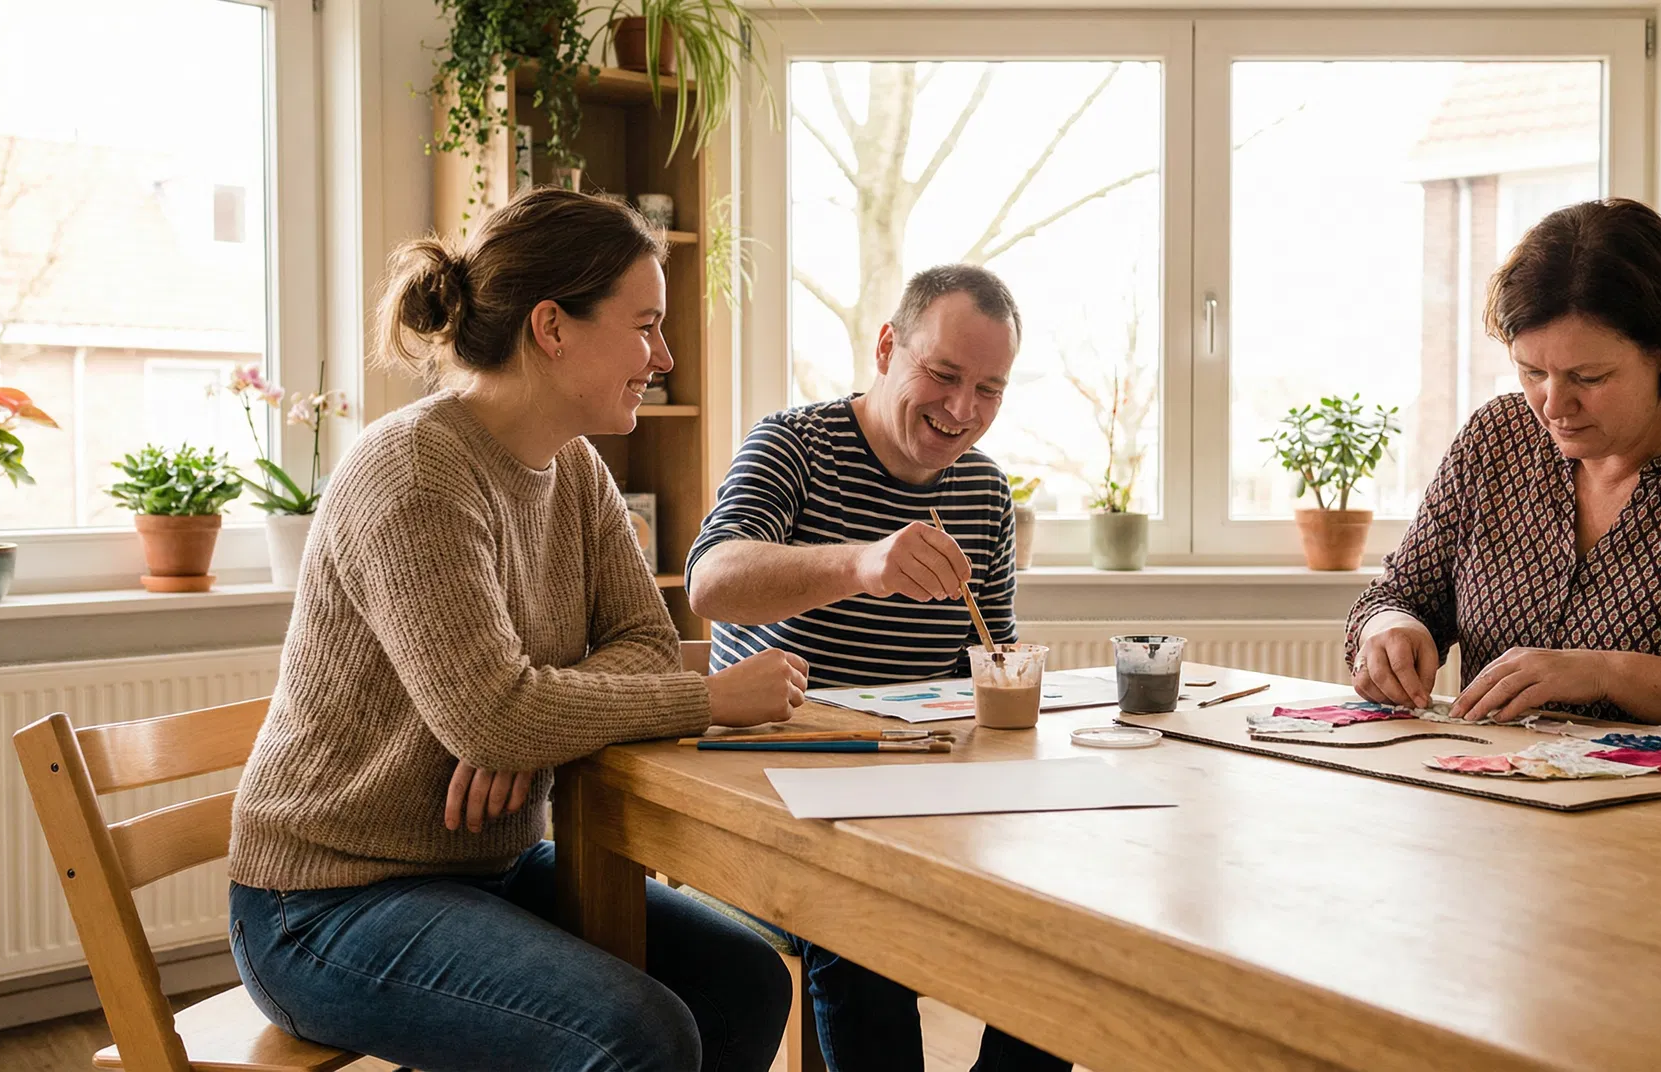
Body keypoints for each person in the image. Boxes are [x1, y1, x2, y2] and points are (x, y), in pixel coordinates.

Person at [226, 187, 809, 1072]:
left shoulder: (572, 467)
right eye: (645, 325)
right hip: (323, 905)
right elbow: (496, 713)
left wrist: (522, 725)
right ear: (552, 327)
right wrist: (708, 698)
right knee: (639, 1037)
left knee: (747, 981)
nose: (666, 353)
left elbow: (634, 646)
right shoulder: (416, 473)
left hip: (482, 870)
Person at [686, 264, 1069, 1071]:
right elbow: (709, 583)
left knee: (1068, 934)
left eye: (990, 389)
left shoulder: (985, 494)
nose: (962, 411)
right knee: (864, 927)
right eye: (943, 374)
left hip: (919, 803)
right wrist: (862, 563)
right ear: (888, 345)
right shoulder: (794, 444)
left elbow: (988, 672)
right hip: (775, 804)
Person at [1346, 198, 1661, 750]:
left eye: (1588, 377)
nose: (1552, 405)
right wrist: (1389, 630)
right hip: (1502, 800)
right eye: (1532, 371)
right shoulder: (1494, 439)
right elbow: (1397, 596)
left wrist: (1606, 673)